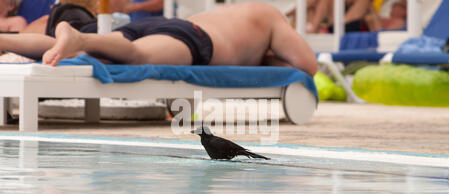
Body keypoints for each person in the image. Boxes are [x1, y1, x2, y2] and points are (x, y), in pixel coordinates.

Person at [0, 2, 318, 77]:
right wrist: (267, 57)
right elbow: (307, 65)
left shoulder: (234, 11)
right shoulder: (274, 16)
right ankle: (79, 40)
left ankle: (7, 41)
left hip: (169, 26)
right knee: (137, 55)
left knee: (109, 49)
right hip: (195, 40)